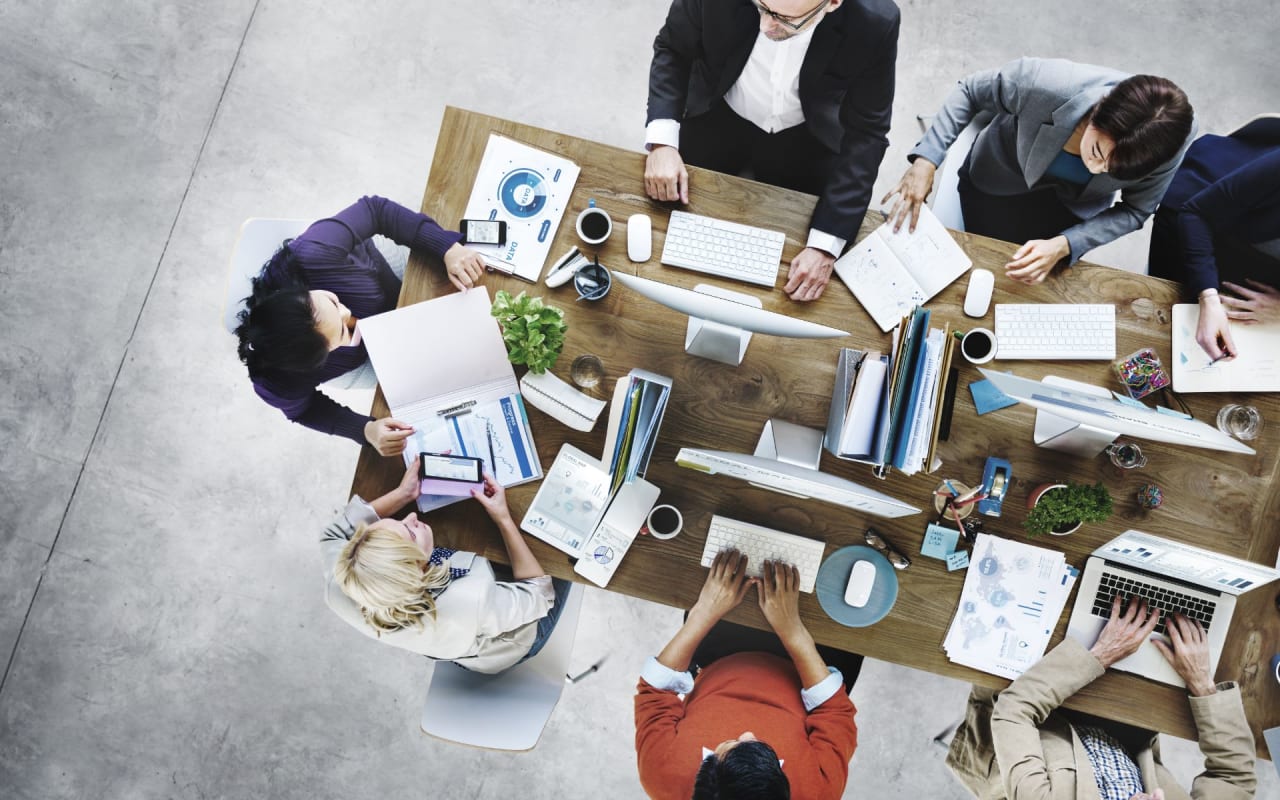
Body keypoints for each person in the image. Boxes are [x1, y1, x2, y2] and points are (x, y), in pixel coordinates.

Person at [643, 0, 899, 302]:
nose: (765, 26)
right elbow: (673, 50)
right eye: (761, 7)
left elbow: (867, 134)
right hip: (717, 116)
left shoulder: (875, 21)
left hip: (807, 138)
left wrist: (824, 245)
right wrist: (662, 142)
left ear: (832, 3)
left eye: (783, 19)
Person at [887, 58, 1196, 285]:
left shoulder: (1167, 144)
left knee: (1036, 280)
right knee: (981, 262)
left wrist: (1066, 244)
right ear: (1097, 113)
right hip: (997, 180)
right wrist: (926, 160)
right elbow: (969, 91)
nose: (1099, 169)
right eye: (1099, 152)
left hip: (1073, 208)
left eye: (1117, 171)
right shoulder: (1045, 84)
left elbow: (1135, 210)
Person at [233, 195, 488, 456]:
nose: (348, 312)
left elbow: (375, 211)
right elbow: (305, 409)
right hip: (366, 357)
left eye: (332, 302)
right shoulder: (277, 383)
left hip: (380, 274)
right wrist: (366, 430)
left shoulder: (313, 252)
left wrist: (446, 248)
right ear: (318, 361)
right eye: (343, 331)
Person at [946, 595, 1257, 800]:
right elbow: (1235, 778)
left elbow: (1015, 710)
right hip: (1115, 723)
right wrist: (1202, 683)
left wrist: (1101, 654)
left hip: (1027, 708)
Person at [635, 551, 860, 800]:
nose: (748, 733)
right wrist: (792, 631)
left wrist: (705, 611)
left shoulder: (660, 778)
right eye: (765, 748)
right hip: (815, 666)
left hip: (720, 652)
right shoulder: (820, 794)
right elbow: (835, 713)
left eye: (731, 743)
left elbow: (655, 693)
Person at [321, 456, 571, 674]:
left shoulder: (342, 580)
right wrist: (503, 518)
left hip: (452, 638)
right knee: (564, 553)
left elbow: (333, 534)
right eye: (410, 532)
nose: (412, 516)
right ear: (418, 569)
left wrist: (403, 494)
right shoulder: (470, 598)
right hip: (511, 638)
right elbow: (539, 594)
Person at [1147, 119, 1280, 360]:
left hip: (1261, 265)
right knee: (1163, 319)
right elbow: (1196, 214)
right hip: (1200, 218)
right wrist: (1207, 298)